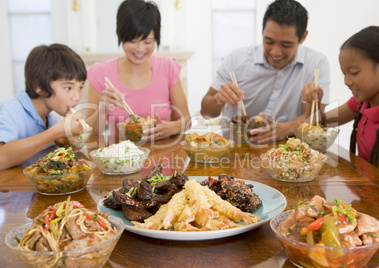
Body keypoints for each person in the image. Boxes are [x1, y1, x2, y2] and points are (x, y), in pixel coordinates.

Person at [201, 0, 330, 144]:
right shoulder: (236, 60)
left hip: (286, 153)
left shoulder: (316, 63)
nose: (275, 52)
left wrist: (286, 128)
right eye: (268, 41)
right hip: (236, 152)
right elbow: (205, 112)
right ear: (262, 32)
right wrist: (218, 98)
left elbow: (313, 118)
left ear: (303, 37)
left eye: (286, 45)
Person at [302, 26, 379, 183]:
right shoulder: (362, 102)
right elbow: (318, 126)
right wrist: (313, 100)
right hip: (365, 192)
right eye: (344, 74)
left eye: (354, 72)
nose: (347, 82)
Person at [85, 0, 190, 141]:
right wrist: (102, 109)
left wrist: (171, 128)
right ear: (121, 36)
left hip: (163, 156)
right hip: (120, 159)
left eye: (148, 42)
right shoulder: (100, 73)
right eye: (133, 41)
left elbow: (186, 120)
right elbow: (91, 132)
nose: (140, 49)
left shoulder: (168, 67)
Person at [0, 44, 87, 170]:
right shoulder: (11, 110)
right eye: (68, 88)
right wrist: (57, 131)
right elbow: (1, 158)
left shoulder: (50, 118)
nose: (77, 96)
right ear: (39, 86)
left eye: (80, 87)